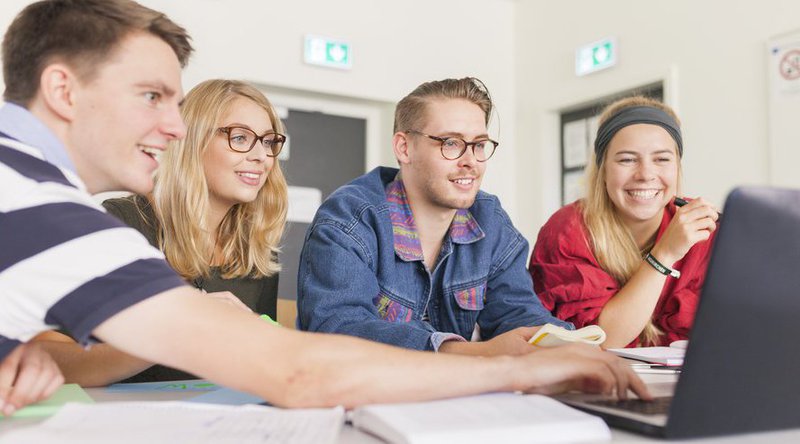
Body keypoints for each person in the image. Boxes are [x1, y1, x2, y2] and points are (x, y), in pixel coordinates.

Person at [0, 0, 649, 416]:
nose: (173, 127)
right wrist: (515, 369)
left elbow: (61, 350)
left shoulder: (38, 199)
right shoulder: (50, 210)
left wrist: (35, 352)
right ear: (63, 89)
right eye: (151, 96)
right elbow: (301, 368)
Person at [32, 79, 287, 386]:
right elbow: (45, 356)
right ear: (193, 141)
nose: (262, 156)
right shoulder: (122, 225)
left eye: (269, 142)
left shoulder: (257, 249)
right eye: (241, 137)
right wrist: (170, 333)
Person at [297, 77, 571, 356]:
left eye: (478, 145)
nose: (471, 161)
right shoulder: (349, 220)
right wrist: (461, 352)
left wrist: (566, 343)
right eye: (451, 143)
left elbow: (519, 314)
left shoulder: (490, 219)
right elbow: (340, 328)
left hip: (454, 382)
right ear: (404, 148)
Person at [529, 96, 719, 349]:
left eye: (662, 159)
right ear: (603, 169)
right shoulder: (568, 231)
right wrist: (664, 255)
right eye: (627, 160)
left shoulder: (703, 228)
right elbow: (601, 341)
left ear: (677, 167)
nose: (646, 174)